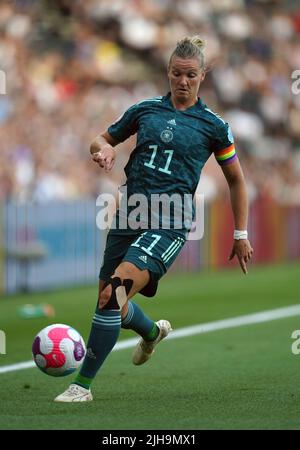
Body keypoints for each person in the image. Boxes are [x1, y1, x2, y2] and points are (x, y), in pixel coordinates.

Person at [54, 36, 253, 402]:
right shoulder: (144, 110)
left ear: (202, 75)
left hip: (171, 222)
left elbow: (236, 180)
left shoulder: (214, 126)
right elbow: (99, 139)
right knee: (109, 298)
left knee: (113, 292)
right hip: (129, 213)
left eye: (190, 75)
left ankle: (81, 387)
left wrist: (240, 232)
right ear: (168, 72)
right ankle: (150, 333)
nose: (183, 81)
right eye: (177, 73)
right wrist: (104, 151)